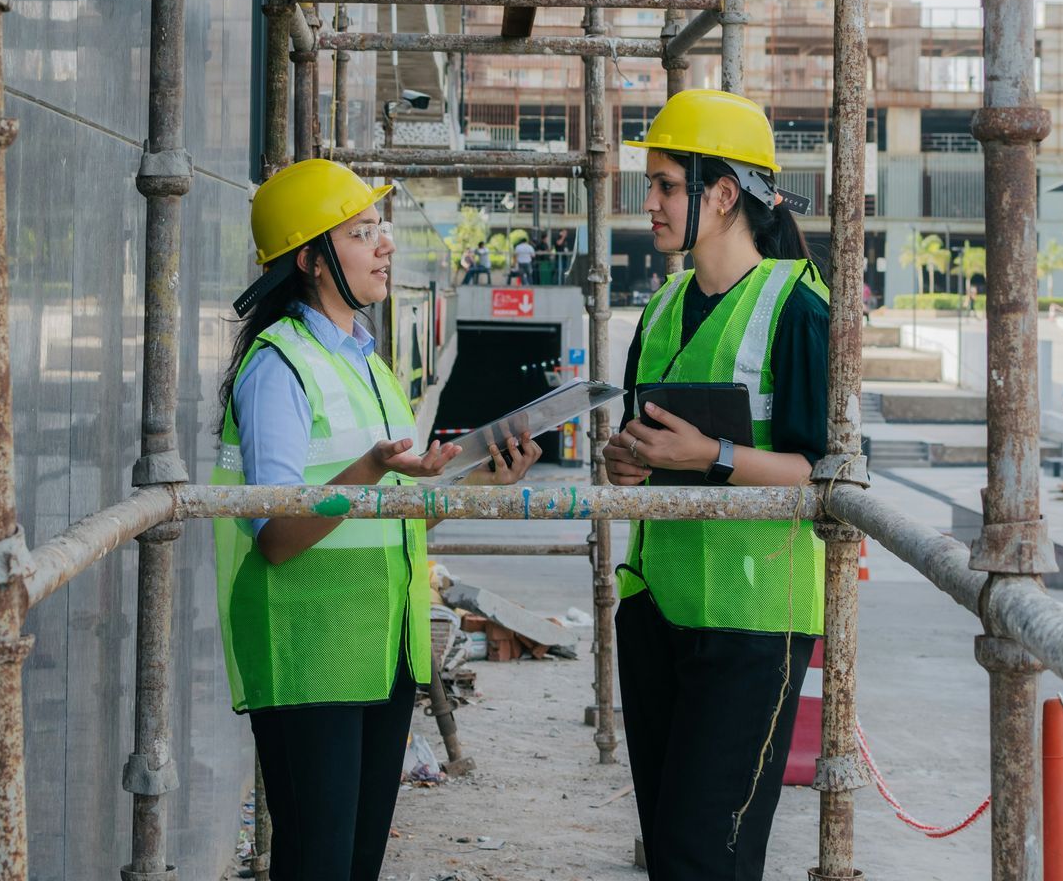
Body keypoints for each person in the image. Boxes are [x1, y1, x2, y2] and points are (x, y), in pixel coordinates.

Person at [214, 159, 542, 881]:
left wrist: (481, 480)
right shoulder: (279, 367)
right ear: (312, 261)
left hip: (382, 647)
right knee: (318, 864)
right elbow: (275, 537)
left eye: (381, 230)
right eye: (364, 232)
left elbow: (400, 521)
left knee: (357, 863)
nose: (386, 246)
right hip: (309, 650)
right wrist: (369, 469)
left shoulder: (369, 362)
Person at [599, 90, 830, 881]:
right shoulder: (661, 308)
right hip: (659, 609)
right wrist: (626, 461)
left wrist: (712, 456)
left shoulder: (797, 309)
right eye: (651, 184)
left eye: (667, 185)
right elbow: (647, 451)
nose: (651, 203)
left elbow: (825, 475)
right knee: (670, 852)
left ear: (723, 194)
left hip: (754, 625)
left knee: (709, 855)